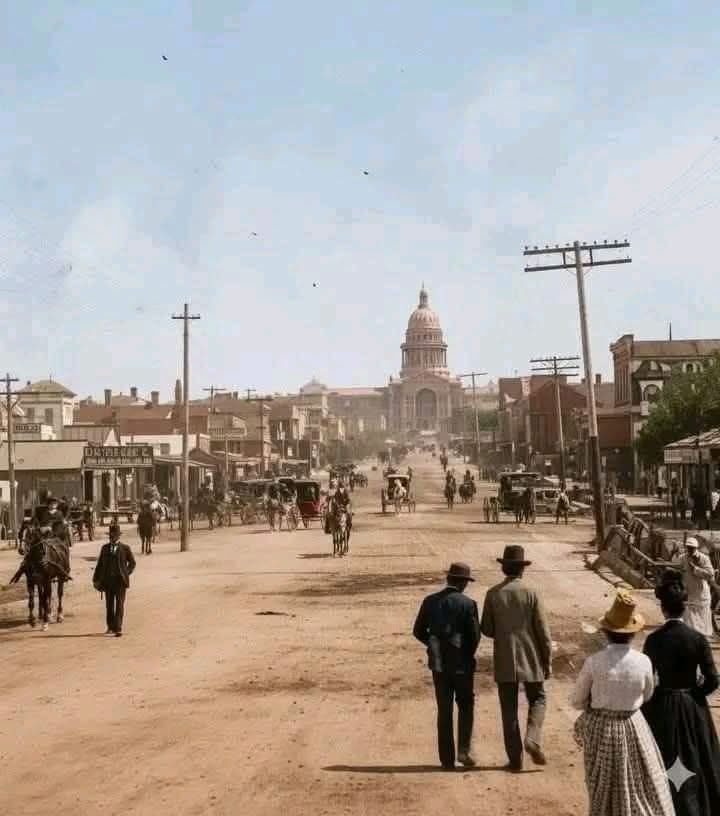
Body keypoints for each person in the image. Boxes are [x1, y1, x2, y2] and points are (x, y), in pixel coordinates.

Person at [571, 590, 674, 816]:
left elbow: (576, 700)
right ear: (632, 633)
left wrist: (593, 702)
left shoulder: (594, 662)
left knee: (601, 785)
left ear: (606, 632)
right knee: (641, 782)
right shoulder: (643, 661)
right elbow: (648, 695)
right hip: (634, 726)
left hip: (601, 729)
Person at [642, 576, 720, 816]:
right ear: (684, 607)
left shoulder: (654, 639)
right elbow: (713, 679)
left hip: (662, 704)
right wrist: (695, 695)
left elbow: (647, 678)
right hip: (691, 705)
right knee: (700, 758)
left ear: (663, 609)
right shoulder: (697, 639)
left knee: (660, 756)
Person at [480, 545, 552, 771]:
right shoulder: (532, 592)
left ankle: (515, 760)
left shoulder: (493, 594)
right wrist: (547, 659)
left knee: (508, 708)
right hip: (531, 656)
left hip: (504, 658)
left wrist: (503, 631)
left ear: (504, 568)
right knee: (538, 699)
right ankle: (532, 737)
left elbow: (487, 629)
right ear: (522, 570)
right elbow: (543, 632)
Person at [413, 562, 480, 770]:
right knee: (466, 706)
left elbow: (418, 631)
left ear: (449, 579)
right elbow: (474, 637)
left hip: (439, 665)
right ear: (462, 583)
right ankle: (464, 750)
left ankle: (447, 759)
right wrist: (465, 654)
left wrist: (434, 644)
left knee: (444, 709)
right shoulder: (468, 604)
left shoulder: (430, 601)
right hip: (462, 665)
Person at [93, 524, 136, 637]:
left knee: (120, 604)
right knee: (109, 605)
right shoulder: (105, 548)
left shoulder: (125, 548)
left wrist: (126, 573)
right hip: (108, 581)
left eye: (115, 536)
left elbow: (132, 563)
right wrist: (96, 579)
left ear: (118, 536)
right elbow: (99, 565)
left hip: (120, 581)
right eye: (111, 536)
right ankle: (110, 627)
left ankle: (118, 628)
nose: (112, 538)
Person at [673, 537, 715, 636]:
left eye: (692, 548)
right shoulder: (682, 558)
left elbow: (710, 574)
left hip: (701, 595)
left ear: (696, 548)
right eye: (688, 547)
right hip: (688, 594)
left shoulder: (704, 558)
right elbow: (676, 571)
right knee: (689, 623)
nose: (690, 550)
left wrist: (696, 569)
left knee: (702, 623)